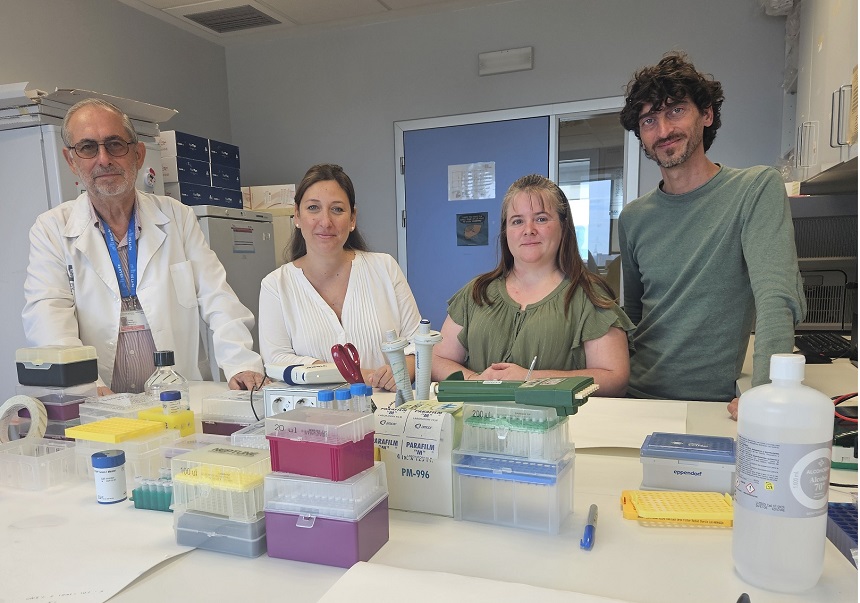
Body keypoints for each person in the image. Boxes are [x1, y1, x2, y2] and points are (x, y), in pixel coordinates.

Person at [23, 98, 266, 395]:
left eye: (115, 144)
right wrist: (87, 387)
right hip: (101, 405)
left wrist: (241, 362)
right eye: (88, 148)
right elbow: (48, 318)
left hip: (178, 398)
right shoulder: (51, 230)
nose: (103, 159)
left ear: (138, 154)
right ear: (72, 161)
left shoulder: (177, 217)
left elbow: (218, 298)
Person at [617, 52, 806, 415]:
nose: (663, 131)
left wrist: (768, 396)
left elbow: (776, 298)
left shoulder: (755, 189)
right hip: (635, 399)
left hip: (712, 404)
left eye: (675, 111)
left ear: (706, 114)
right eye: (649, 120)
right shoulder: (633, 218)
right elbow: (634, 314)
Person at [430, 174, 634, 397]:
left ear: (564, 227)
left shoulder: (589, 297)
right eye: (517, 221)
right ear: (506, 231)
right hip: (480, 425)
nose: (528, 230)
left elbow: (614, 378)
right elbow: (438, 359)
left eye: (541, 219)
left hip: (560, 427)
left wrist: (531, 379)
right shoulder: (477, 292)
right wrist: (477, 381)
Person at [258, 163, 422, 392]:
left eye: (337, 209)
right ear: (297, 215)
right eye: (313, 208)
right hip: (313, 419)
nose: (325, 222)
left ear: (352, 218)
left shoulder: (385, 267)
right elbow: (276, 360)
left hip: (386, 414)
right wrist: (359, 375)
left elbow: (418, 343)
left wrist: (404, 367)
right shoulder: (276, 285)